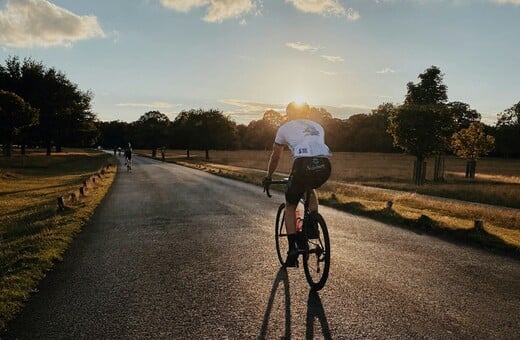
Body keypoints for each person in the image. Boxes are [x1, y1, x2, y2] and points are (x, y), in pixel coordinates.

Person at [264, 102, 332, 267]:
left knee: (290, 205)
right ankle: (313, 225)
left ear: (288, 113)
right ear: (307, 113)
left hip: (302, 165)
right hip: (324, 165)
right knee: (310, 188)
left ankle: (293, 249)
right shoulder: (317, 126)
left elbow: (276, 155)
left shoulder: (284, 128)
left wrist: (269, 176)